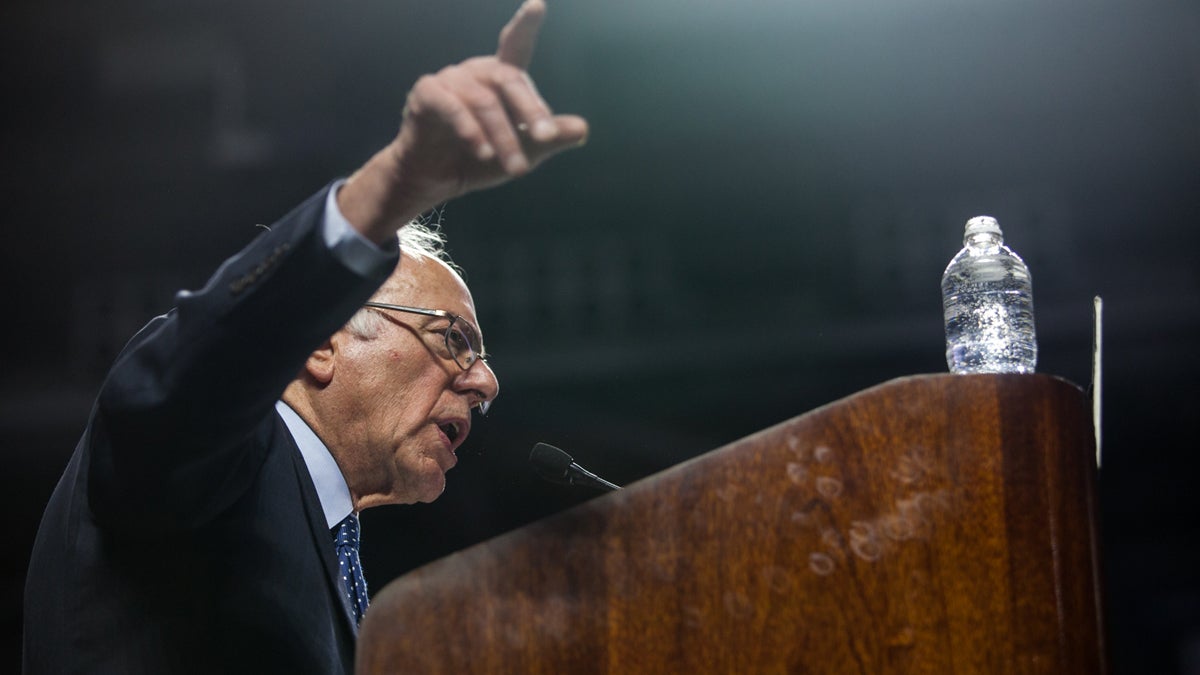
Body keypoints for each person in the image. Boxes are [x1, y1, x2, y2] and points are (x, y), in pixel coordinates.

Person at [22, 1, 588, 673]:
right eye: (454, 340)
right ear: (321, 339)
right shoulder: (218, 448)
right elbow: (189, 374)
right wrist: (392, 187)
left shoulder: (333, 552)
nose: (486, 381)